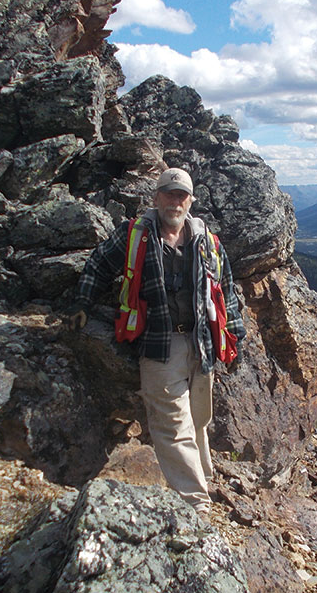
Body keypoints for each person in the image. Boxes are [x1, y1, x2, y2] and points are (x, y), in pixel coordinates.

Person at [67, 167, 245, 513]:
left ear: (190, 201)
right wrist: (82, 302)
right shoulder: (135, 234)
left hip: (200, 344)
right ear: (156, 197)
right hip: (159, 346)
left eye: (181, 195)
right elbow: (99, 264)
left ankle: (202, 475)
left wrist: (234, 334)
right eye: (168, 193)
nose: (174, 201)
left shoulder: (206, 240)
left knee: (198, 417)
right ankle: (196, 504)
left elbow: (226, 291)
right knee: (172, 425)